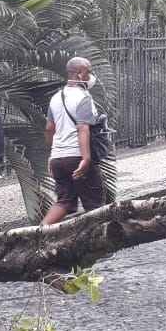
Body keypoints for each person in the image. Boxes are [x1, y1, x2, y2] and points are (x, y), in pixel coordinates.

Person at [41, 57, 105, 225]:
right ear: (80, 73)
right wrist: (86, 159)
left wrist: (52, 155)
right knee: (95, 204)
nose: (90, 75)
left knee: (64, 201)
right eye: (89, 72)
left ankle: (40, 233)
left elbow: (49, 128)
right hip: (77, 157)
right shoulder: (83, 97)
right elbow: (83, 127)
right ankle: (98, 238)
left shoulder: (56, 97)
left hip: (58, 159)